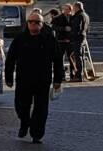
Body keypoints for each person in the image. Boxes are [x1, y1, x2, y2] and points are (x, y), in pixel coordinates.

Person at [5, 9, 64, 144]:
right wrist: (8, 77)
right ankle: (24, 122)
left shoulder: (49, 39)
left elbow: (58, 60)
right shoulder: (20, 38)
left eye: (36, 22)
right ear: (27, 23)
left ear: (42, 24)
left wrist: (58, 79)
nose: (33, 25)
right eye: (31, 22)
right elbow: (11, 58)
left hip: (43, 79)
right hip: (23, 78)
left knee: (41, 108)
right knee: (21, 105)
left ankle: (37, 134)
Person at [68, 1, 90, 81]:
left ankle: (78, 76)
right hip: (83, 38)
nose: (73, 9)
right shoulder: (86, 15)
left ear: (77, 7)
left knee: (78, 57)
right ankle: (82, 74)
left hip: (77, 39)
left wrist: (71, 36)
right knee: (81, 57)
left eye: (74, 8)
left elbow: (77, 28)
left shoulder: (79, 16)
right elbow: (87, 28)